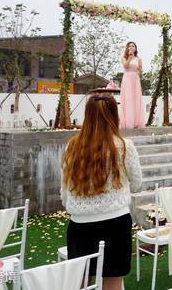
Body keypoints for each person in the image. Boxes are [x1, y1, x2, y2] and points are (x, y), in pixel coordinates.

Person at [61, 93, 143, 290]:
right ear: (115, 115)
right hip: (116, 223)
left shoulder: (72, 147)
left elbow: (65, 190)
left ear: (87, 115)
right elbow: (137, 184)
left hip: (80, 225)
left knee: (80, 282)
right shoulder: (124, 146)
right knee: (112, 281)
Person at [119, 41, 145, 129]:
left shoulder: (139, 59)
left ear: (135, 48)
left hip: (135, 79)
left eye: (133, 46)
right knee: (128, 99)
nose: (131, 47)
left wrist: (139, 70)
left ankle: (136, 122)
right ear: (127, 48)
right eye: (129, 46)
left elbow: (140, 70)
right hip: (127, 79)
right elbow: (126, 66)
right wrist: (130, 57)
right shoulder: (124, 58)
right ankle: (128, 122)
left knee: (136, 99)